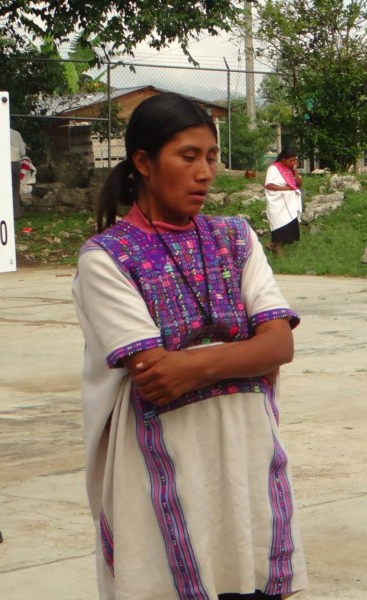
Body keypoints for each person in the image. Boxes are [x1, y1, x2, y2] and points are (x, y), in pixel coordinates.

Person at [71, 93, 307, 599]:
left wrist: (196, 363)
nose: (205, 172)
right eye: (188, 156)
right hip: (161, 473)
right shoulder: (106, 259)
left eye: (211, 157)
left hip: (246, 464)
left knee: (251, 581)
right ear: (143, 162)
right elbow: (154, 375)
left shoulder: (235, 237)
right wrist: (243, 355)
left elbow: (280, 343)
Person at [264, 148, 302, 256]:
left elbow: (299, 184)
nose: (293, 163)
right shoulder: (273, 169)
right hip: (278, 205)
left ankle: (273, 246)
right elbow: (269, 185)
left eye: (295, 160)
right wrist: (285, 189)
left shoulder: (290, 170)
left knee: (287, 230)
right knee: (280, 232)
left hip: (289, 206)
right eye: (291, 160)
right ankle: (280, 257)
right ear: (283, 159)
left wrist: (295, 171)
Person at [10, 128, 25, 218]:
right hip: (15, 162)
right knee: (15, 188)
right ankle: (15, 214)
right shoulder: (16, 133)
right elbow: (23, 152)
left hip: (0, 162)